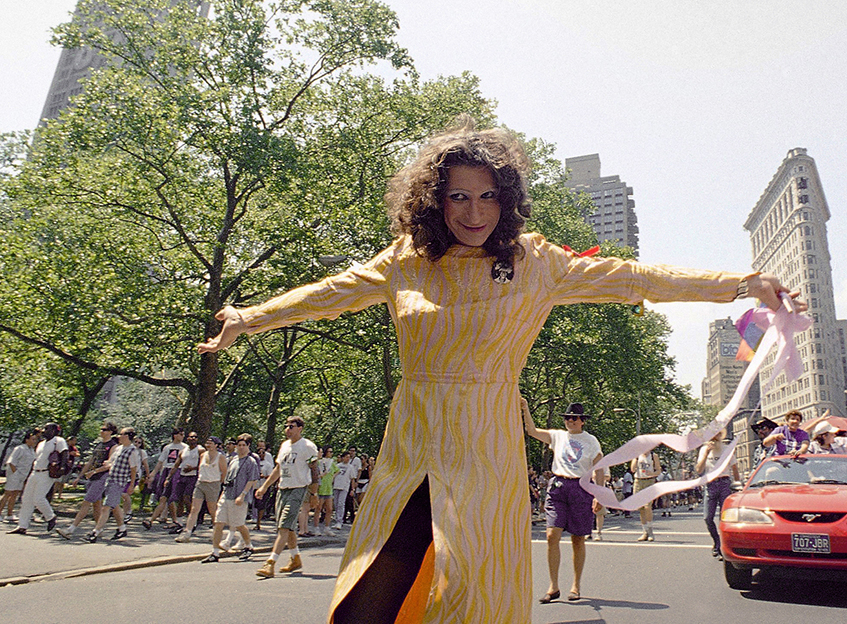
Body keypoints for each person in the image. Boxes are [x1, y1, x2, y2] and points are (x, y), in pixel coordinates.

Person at [195, 116, 794, 623]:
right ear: (435, 200)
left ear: (506, 200)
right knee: (373, 589)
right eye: (458, 196)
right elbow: (329, 292)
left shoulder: (537, 262)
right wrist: (249, 317)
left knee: (470, 586)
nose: (474, 211)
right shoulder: (408, 260)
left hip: (484, 446)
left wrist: (740, 285)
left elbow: (634, 278)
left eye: (487, 196)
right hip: (411, 442)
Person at [521, 400, 604, 604]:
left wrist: (598, 494)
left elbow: (599, 468)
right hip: (558, 486)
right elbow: (531, 430)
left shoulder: (591, 441)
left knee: (578, 539)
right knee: (552, 535)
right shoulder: (557, 436)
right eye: (567, 418)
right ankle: (553, 586)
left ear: (582, 421)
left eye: (574, 418)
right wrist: (525, 408)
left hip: (581, 487)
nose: (570, 421)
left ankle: (575, 585)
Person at [253, 416, 319, 578]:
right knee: (287, 527)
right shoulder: (284, 446)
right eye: (286, 426)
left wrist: (314, 493)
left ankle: (270, 563)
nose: (288, 429)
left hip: (298, 488)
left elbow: (314, 470)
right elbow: (278, 469)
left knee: (284, 526)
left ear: (300, 428)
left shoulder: (308, 446)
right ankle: (295, 558)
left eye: (291, 426)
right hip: (283, 489)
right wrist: (264, 487)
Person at [202, 433, 259, 563]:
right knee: (218, 523)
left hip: (239, 497)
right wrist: (222, 495)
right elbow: (228, 479)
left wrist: (242, 495)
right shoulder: (233, 460)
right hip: (227, 495)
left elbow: (252, 480)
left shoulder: (250, 462)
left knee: (239, 524)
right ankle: (215, 552)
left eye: (244, 445)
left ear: (248, 446)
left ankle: (248, 546)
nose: (241, 448)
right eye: (239, 445)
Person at [59, 422, 118, 539]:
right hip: (93, 477)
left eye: (105, 429)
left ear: (111, 432)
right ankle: (99, 530)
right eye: (101, 429)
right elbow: (90, 461)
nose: (102, 431)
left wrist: (94, 472)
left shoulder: (113, 446)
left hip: (102, 477)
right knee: (97, 505)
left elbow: (109, 465)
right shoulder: (99, 445)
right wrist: (79, 477)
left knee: (86, 502)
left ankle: (71, 529)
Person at [9, 422, 67, 536]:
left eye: (46, 429)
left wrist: (63, 467)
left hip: (46, 473)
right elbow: (36, 459)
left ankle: (51, 517)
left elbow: (65, 454)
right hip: (35, 472)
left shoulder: (58, 441)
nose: (43, 431)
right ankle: (22, 526)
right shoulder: (41, 443)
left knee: (38, 499)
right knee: (26, 500)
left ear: (54, 431)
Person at [86, 427, 144, 542]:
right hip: (110, 480)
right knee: (115, 506)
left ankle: (95, 532)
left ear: (127, 436)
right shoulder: (118, 449)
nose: (118, 436)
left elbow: (133, 469)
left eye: (121, 434)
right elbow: (109, 464)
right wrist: (94, 471)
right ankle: (122, 528)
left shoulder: (132, 451)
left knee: (106, 507)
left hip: (119, 482)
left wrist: (132, 485)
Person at [176, 436, 228, 542]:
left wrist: (219, 483)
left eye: (211, 443)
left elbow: (224, 472)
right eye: (207, 442)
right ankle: (187, 533)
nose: (208, 445)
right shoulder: (203, 455)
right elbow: (200, 468)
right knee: (194, 509)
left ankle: (217, 532)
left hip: (213, 484)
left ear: (216, 445)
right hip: (201, 483)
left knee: (212, 509)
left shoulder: (220, 457)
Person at [696, 428, 738, 559]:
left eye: (717, 435)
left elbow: (735, 468)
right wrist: (706, 452)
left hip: (725, 482)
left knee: (724, 518)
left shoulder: (727, 449)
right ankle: (717, 541)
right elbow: (699, 469)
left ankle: (722, 547)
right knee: (708, 517)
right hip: (711, 483)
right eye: (712, 435)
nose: (714, 438)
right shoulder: (704, 449)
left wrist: (738, 485)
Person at [143, 429, 187, 530]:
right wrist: (153, 474)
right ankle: (152, 520)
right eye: (180, 434)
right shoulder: (168, 447)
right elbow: (160, 462)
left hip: (179, 472)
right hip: (167, 471)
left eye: (183, 434)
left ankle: (176, 521)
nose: (182, 436)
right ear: (175, 435)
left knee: (172, 498)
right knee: (164, 497)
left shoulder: (185, 447)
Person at [3, 429, 40, 522]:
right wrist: (16, 473)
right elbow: (11, 462)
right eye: (33, 439)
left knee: (15, 494)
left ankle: (9, 514)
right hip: (15, 474)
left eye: (35, 440)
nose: (34, 441)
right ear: (27, 440)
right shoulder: (20, 448)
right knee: (8, 493)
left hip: (23, 475)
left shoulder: (32, 451)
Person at [629, 447, 662, 541]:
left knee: (648, 506)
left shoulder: (653, 456)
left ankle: (651, 532)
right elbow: (632, 469)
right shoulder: (637, 456)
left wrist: (652, 473)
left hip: (649, 481)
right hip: (638, 481)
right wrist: (635, 458)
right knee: (641, 508)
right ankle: (645, 532)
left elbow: (658, 471)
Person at [315, 445, 338, 536]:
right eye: (330, 452)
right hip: (321, 487)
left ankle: (327, 527)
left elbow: (337, 470)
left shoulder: (332, 463)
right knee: (318, 508)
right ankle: (316, 527)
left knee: (329, 509)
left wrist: (333, 477)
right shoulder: (320, 462)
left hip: (329, 488)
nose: (331, 454)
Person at [332, 451, 354, 531]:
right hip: (336, 486)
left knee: (341, 503)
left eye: (349, 457)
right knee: (336, 503)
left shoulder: (351, 467)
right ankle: (337, 518)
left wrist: (352, 489)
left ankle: (340, 521)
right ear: (343, 458)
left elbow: (352, 479)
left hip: (344, 487)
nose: (348, 459)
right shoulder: (337, 466)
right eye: (346, 457)